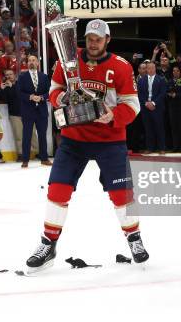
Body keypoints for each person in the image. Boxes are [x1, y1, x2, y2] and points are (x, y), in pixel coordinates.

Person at [25, 19, 148, 273]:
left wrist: (114, 115)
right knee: (57, 190)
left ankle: (134, 238)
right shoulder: (67, 60)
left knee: (121, 194)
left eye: (98, 39)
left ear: (107, 40)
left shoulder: (121, 67)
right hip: (73, 139)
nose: (93, 43)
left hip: (110, 140)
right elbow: (54, 91)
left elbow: (133, 105)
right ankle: (48, 243)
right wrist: (62, 97)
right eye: (90, 38)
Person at [17, 55, 52, 167]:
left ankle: (44, 158)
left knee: (42, 135)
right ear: (27, 63)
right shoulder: (22, 77)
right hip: (28, 110)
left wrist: (42, 97)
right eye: (29, 61)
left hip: (41, 110)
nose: (31, 62)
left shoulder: (44, 77)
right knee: (26, 135)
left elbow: (49, 92)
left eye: (33, 60)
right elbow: (19, 93)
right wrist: (30, 97)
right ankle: (25, 160)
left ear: (37, 63)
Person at [137, 61, 166, 154]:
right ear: (146, 69)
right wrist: (146, 103)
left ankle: (161, 148)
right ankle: (149, 148)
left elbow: (162, 94)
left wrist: (153, 103)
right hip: (145, 108)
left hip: (157, 108)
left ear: (155, 68)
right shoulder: (141, 80)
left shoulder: (161, 79)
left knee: (159, 128)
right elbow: (139, 94)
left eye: (152, 68)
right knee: (148, 129)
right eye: (148, 68)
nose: (150, 70)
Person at [167, 65, 181, 152]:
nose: (175, 72)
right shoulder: (169, 81)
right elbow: (166, 92)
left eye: (177, 71)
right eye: (174, 71)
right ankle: (175, 146)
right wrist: (169, 95)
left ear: (180, 72)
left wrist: (176, 95)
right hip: (172, 108)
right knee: (174, 128)